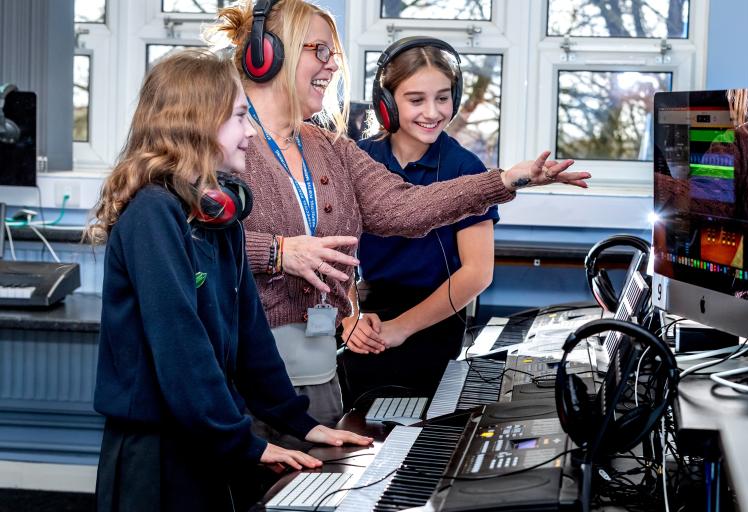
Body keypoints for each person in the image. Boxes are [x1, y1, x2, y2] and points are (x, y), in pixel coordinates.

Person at [210, 0, 590, 445]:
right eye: (320, 50)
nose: (332, 66)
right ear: (268, 54)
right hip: (242, 381)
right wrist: (277, 252)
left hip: (320, 374)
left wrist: (505, 180)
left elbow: (404, 209)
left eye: (334, 54)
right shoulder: (218, 137)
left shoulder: (330, 147)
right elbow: (180, 238)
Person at [87, 49, 371, 512]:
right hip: (156, 454)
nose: (250, 132)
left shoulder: (220, 219)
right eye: (240, 117)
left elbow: (251, 337)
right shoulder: (154, 215)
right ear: (198, 123)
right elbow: (181, 346)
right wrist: (243, 440)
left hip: (203, 440)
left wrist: (297, 421)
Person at [338, 38, 498, 405]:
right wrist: (349, 317)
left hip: (433, 319)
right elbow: (336, 248)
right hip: (366, 311)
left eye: (443, 98)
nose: (433, 111)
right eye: (416, 100)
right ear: (387, 103)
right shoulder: (357, 159)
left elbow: (477, 273)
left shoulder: (465, 168)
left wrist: (400, 329)